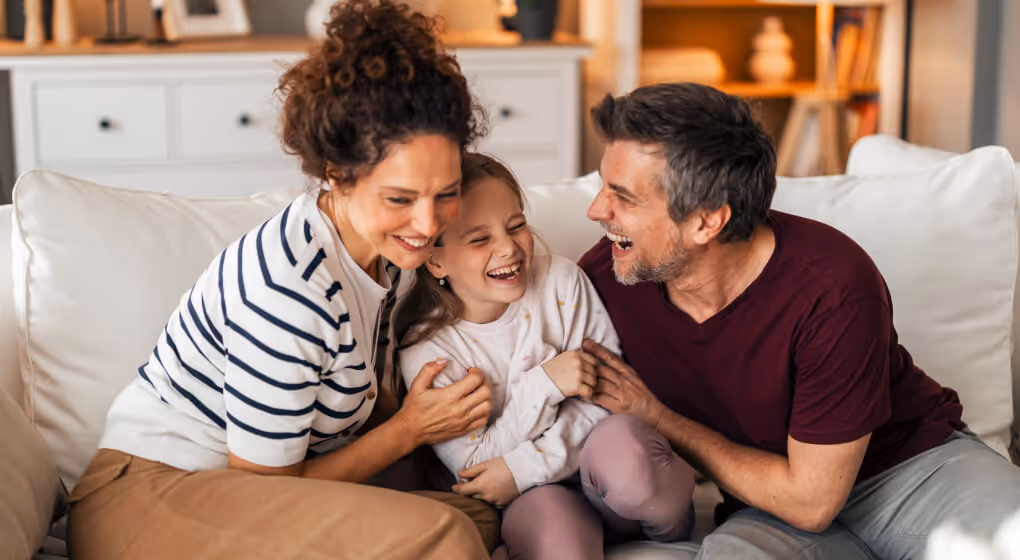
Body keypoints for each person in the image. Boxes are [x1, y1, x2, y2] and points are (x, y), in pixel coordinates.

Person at [67, 3, 500, 559]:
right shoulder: (291, 289)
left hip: (232, 493)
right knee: (446, 535)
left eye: (446, 192)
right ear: (336, 174)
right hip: (152, 494)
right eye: (400, 198)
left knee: (480, 517)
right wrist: (409, 430)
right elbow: (262, 490)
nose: (428, 223)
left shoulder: (382, 257)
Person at [578, 82, 1020, 560]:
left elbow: (812, 500)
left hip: (914, 473)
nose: (597, 210)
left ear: (707, 222)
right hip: (769, 507)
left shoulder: (831, 286)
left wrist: (660, 418)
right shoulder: (604, 277)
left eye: (622, 196)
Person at [395, 153, 696, 560]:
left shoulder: (561, 281)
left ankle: (673, 537)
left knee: (630, 459)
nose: (508, 248)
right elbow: (476, 468)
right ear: (436, 260)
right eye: (480, 239)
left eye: (516, 226)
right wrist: (545, 384)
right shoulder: (428, 354)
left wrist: (525, 464)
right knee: (559, 543)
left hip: (600, 465)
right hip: (535, 497)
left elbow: (608, 398)